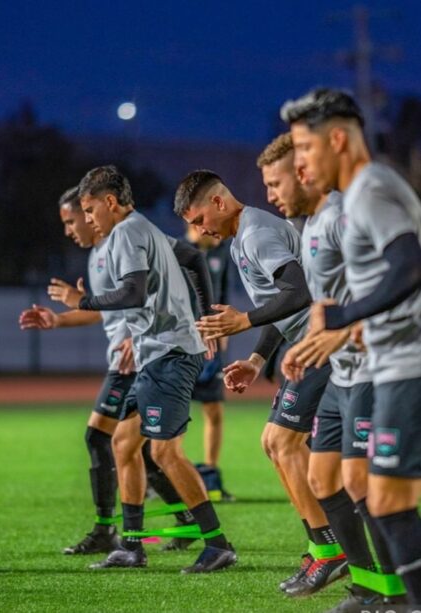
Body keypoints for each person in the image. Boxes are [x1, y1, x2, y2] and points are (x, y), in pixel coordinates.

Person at [50, 165, 236, 574]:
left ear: (110, 202)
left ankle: (216, 542)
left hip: (170, 354)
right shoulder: (144, 228)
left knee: (164, 452)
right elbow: (191, 257)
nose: (89, 217)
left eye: (90, 208)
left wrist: (80, 301)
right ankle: (131, 546)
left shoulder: (128, 232)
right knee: (122, 443)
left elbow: (132, 291)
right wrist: (203, 317)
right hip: (157, 354)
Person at [173, 169, 349, 595]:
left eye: (199, 219)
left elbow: (299, 291)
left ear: (218, 202)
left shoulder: (254, 233)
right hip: (305, 342)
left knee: (283, 442)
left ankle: (331, 549)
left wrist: (243, 320)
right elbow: (281, 304)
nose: (198, 230)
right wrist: (255, 358)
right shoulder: (243, 238)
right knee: (277, 443)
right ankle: (324, 544)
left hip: (319, 344)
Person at [281, 87, 421, 605]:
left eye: (305, 148)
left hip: (406, 363)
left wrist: (345, 316)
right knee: (383, 497)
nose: (301, 162)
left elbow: (408, 264)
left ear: (336, 139)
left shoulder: (369, 189)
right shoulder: (358, 195)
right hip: (385, 366)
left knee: (383, 496)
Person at [259, 131, 403, 608]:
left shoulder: (346, 213)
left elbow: (391, 279)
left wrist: (347, 330)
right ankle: (368, 586)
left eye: (278, 181)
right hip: (339, 373)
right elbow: (327, 301)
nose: (275, 192)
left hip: (370, 369)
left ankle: (397, 591)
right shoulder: (312, 225)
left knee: (367, 486)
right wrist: (309, 341)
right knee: (323, 480)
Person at [19, 187, 195, 555]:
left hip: (137, 360)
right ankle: (184, 521)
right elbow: (104, 309)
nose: (69, 229)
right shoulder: (99, 254)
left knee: (102, 438)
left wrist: (137, 333)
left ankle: (110, 531)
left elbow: (149, 289)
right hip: (127, 359)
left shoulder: (125, 241)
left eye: (73, 219)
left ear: (90, 213)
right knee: (142, 449)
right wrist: (58, 320)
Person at [180, 223, 235, 502]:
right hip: (180, 344)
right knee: (176, 414)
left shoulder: (221, 251)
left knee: (214, 410)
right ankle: (169, 474)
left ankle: (211, 472)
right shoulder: (176, 250)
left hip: (211, 343)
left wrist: (222, 331)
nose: (216, 232)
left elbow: (222, 292)